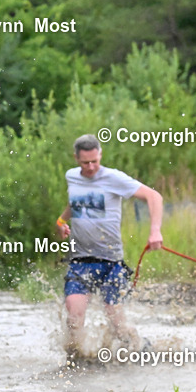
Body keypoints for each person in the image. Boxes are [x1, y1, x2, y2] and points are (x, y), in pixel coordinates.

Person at [55, 134, 163, 361]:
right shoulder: (72, 177)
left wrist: (155, 231)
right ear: (76, 158)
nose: (91, 166)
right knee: (74, 319)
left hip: (111, 263)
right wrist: (61, 222)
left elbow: (154, 196)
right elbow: (75, 203)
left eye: (95, 161)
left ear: (100, 155)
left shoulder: (114, 178)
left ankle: (140, 348)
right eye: (85, 162)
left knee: (117, 325)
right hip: (80, 261)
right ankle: (78, 365)